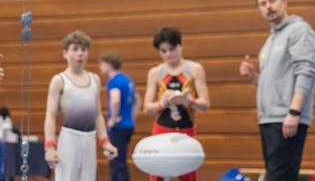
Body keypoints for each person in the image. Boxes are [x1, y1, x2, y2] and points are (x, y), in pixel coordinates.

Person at [239, 0, 315, 181]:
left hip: (286, 118)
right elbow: (275, 80)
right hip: (268, 119)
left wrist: (294, 112)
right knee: (276, 176)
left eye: (272, 0)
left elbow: (306, 71)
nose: (268, 6)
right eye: (262, 3)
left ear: (284, 2)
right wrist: (254, 76)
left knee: (281, 177)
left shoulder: (299, 31)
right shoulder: (271, 40)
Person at [44, 30, 117, 180]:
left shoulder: (94, 79)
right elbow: (50, 116)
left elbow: (97, 114)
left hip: (89, 140)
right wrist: (50, 147)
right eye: (75, 49)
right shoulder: (59, 81)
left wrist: (105, 141)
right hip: (69, 139)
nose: (80, 54)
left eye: (84, 50)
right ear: (65, 53)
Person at [143, 26, 210, 181]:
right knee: (157, 174)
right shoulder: (155, 73)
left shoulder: (194, 69)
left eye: (172, 49)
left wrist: (189, 101)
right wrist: (163, 103)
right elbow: (147, 109)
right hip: (161, 129)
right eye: (163, 51)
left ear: (181, 45)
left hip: (186, 131)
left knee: (188, 174)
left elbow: (206, 104)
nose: (168, 54)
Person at [99, 52, 141, 181]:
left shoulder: (114, 81)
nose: (100, 67)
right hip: (128, 125)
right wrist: (131, 118)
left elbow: (115, 100)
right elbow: (137, 100)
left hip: (118, 126)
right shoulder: (127, 80)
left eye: (102, 63)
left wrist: (112, 119)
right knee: (121, 160)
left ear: (109, 64)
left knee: (116, 162)